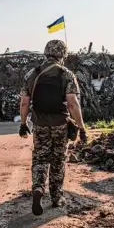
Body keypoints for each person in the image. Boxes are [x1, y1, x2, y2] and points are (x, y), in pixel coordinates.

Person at [19, 39, 87, 216]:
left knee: (40, 159)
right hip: (60, 125)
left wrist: (23, 123)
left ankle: (38, 189)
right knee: (57, 161)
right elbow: (72, 103)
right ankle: (56, 197)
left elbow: (24, 102)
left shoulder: (32, 74)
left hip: (40, 125)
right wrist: (81, 127)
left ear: (45, 52)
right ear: (63, 54)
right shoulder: (66, 74)